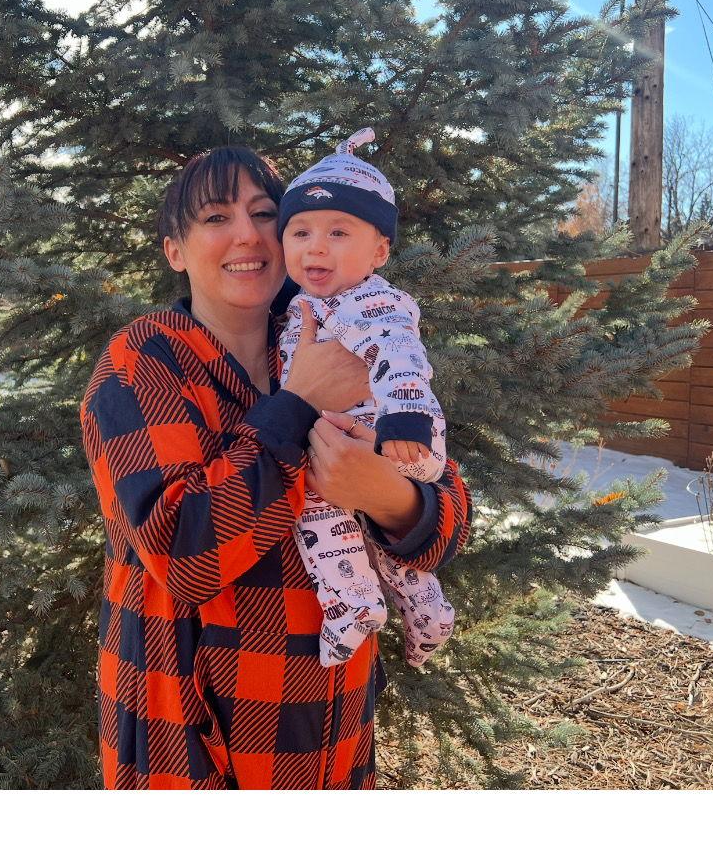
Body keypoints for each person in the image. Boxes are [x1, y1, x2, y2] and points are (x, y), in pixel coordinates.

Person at [80, 144, 472, 789]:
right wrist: (297, 405)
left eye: (265, 213)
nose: (248, 235)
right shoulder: (143, 361)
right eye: (215, 218)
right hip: (193, 730)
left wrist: (387, 495)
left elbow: (447, 516)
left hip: (330, 716)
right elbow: (184, 554)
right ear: (175, 251)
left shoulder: (339, 331)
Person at [277, 128, 455, 670]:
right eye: (300, 232)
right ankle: (427, 610)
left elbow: (399, 352)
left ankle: (352, 605)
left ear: (379, 251)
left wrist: (404, 418)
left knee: (312, 506)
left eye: (338, 231)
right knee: (371, 533)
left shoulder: (373, 299)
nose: (316, 247)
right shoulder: (304, 304)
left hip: (394, 435)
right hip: (365, 439)